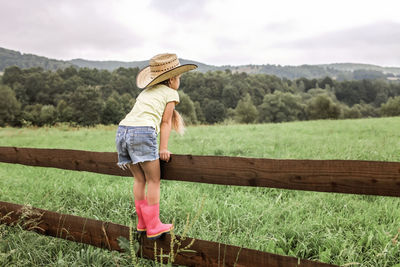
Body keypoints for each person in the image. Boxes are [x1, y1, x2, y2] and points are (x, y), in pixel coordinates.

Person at [115, 53, 197, 239]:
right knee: (154, 180)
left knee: (139, 180)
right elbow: (165, 122)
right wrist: (163, 148)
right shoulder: (171, 93)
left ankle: (142, 223)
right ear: (172, 79)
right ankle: (154, 226)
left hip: (122, 131)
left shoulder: (146, 92)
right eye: (179, 78)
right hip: (142, 132)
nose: (180, 81)